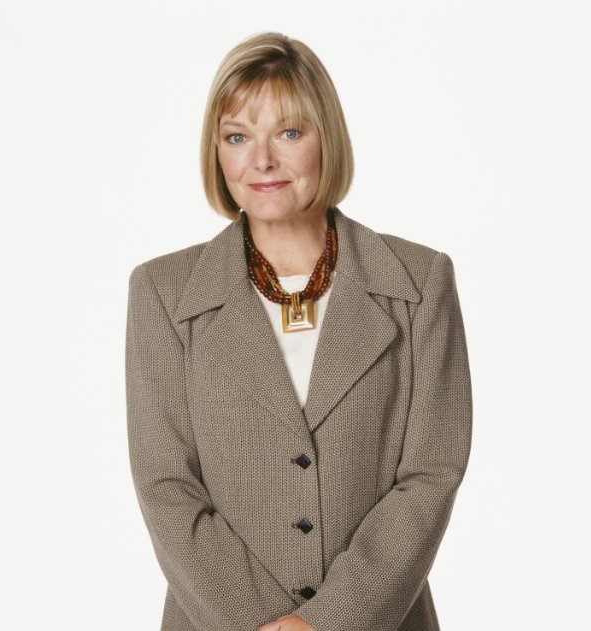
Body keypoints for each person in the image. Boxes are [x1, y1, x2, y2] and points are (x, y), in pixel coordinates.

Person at [125, 31, 473, 631]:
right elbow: (166, 485)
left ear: (326, 139)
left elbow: (431, 475)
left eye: (288, 133)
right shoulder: (163, 292)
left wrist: (329, 623)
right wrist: (259, 621)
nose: (261, 160)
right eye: (237, 137)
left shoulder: (420, 283)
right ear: (216, 152)